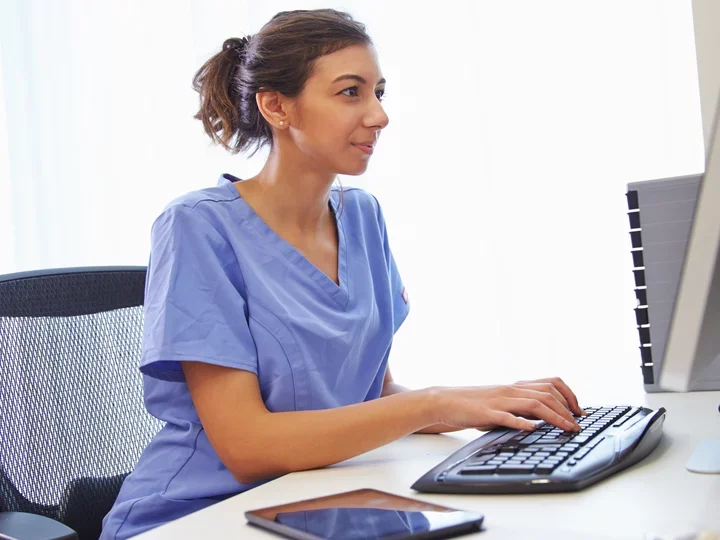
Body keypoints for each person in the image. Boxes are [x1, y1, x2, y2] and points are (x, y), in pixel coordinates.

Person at [100, 8, 585, 539]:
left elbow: (372, 397)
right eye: (351, 92)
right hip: (202, 517)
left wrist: (487, 404)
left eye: (380, 91)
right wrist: (435, 402)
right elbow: (246, 447)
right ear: (277, 106)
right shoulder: (198, 227)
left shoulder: (362, 215)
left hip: (323, 502)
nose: (379, 115)